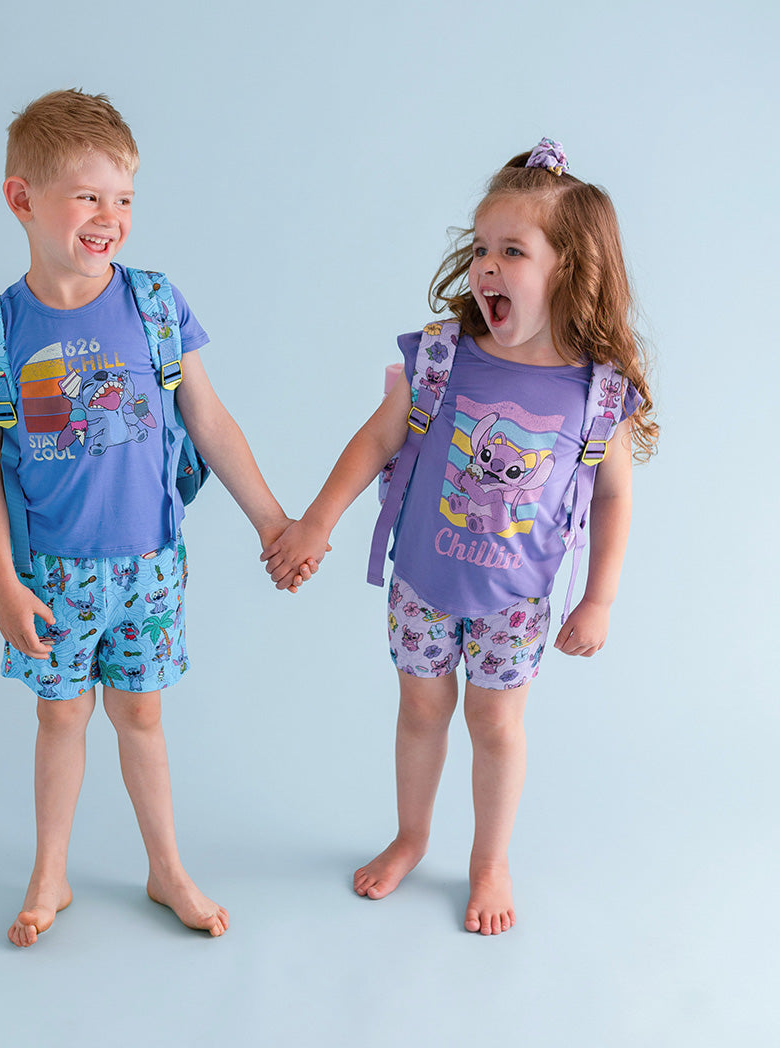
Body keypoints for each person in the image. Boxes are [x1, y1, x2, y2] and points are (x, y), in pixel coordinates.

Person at [261, 139, 657, 935]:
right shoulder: (443, 357)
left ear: (569, 270)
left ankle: (490, 861)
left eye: (513, 250)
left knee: (496, 724)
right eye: (481, 247)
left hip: (517, 600)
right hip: (423, 584)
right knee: (420, 710)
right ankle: (411, 836)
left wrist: (600, 598)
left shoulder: (596, 391)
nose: (487, 266)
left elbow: (614, 496)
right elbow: (375, 440)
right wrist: (314, 522)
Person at [0, 89, 311, 947]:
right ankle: (50, 874)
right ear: (22, 199)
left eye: (124, 199)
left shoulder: (153, 305)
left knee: (142, 716)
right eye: (87, 196)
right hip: (50, 576)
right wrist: (1, 582)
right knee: (62, 717)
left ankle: (167, 869)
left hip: (149, 566)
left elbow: (210, 423)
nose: (109, 217)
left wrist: (273, 521)